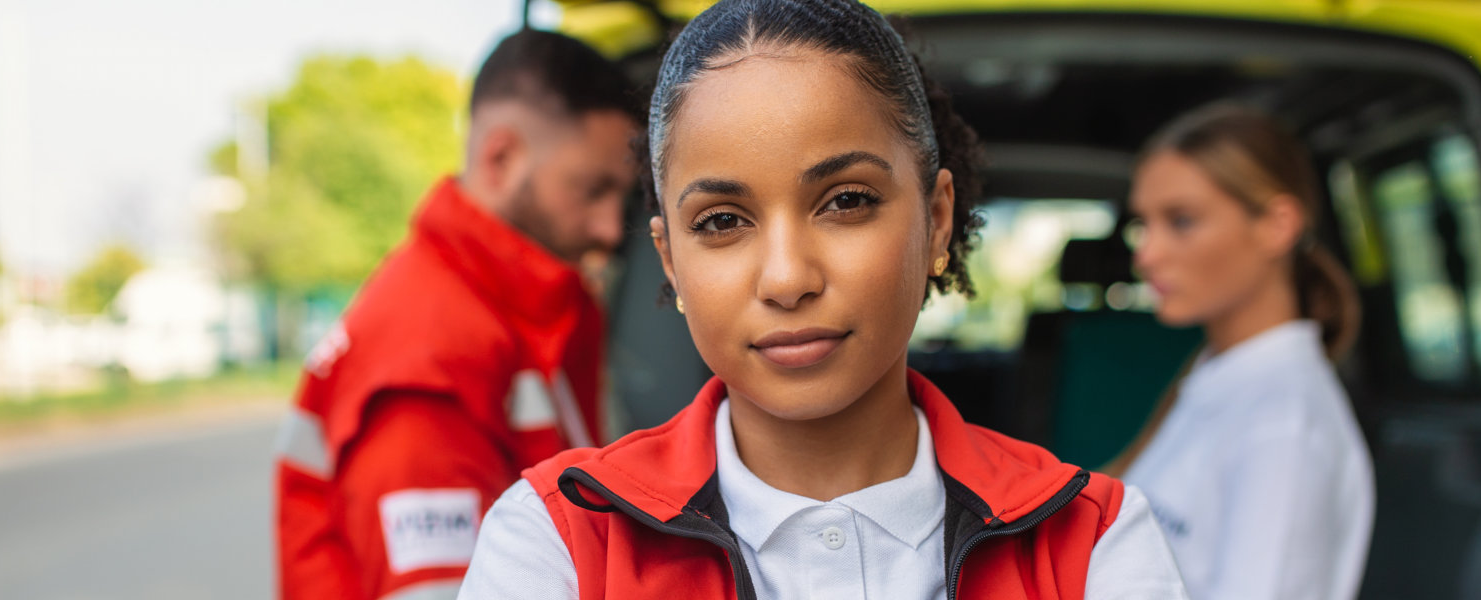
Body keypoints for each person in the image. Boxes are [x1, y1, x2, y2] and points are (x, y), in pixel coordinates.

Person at [460, 1, 1190, 598]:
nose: (786, 277)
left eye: (846, 201)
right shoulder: (559, 539)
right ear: (670, 261)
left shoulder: (1092, 542)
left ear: (937, 219)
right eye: (721, 222)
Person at [274, 30, 641, 600]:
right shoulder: (427, 356)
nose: (610, 229)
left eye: (621, 198)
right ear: (501, 157)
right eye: (592, 190)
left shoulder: (511, 311)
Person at [1117, 104, 1374, 599]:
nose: (1145, 254)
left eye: (1182, 221)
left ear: (1277, 225)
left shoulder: (1285, 424)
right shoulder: (1219, 372)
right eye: (1142, 224)